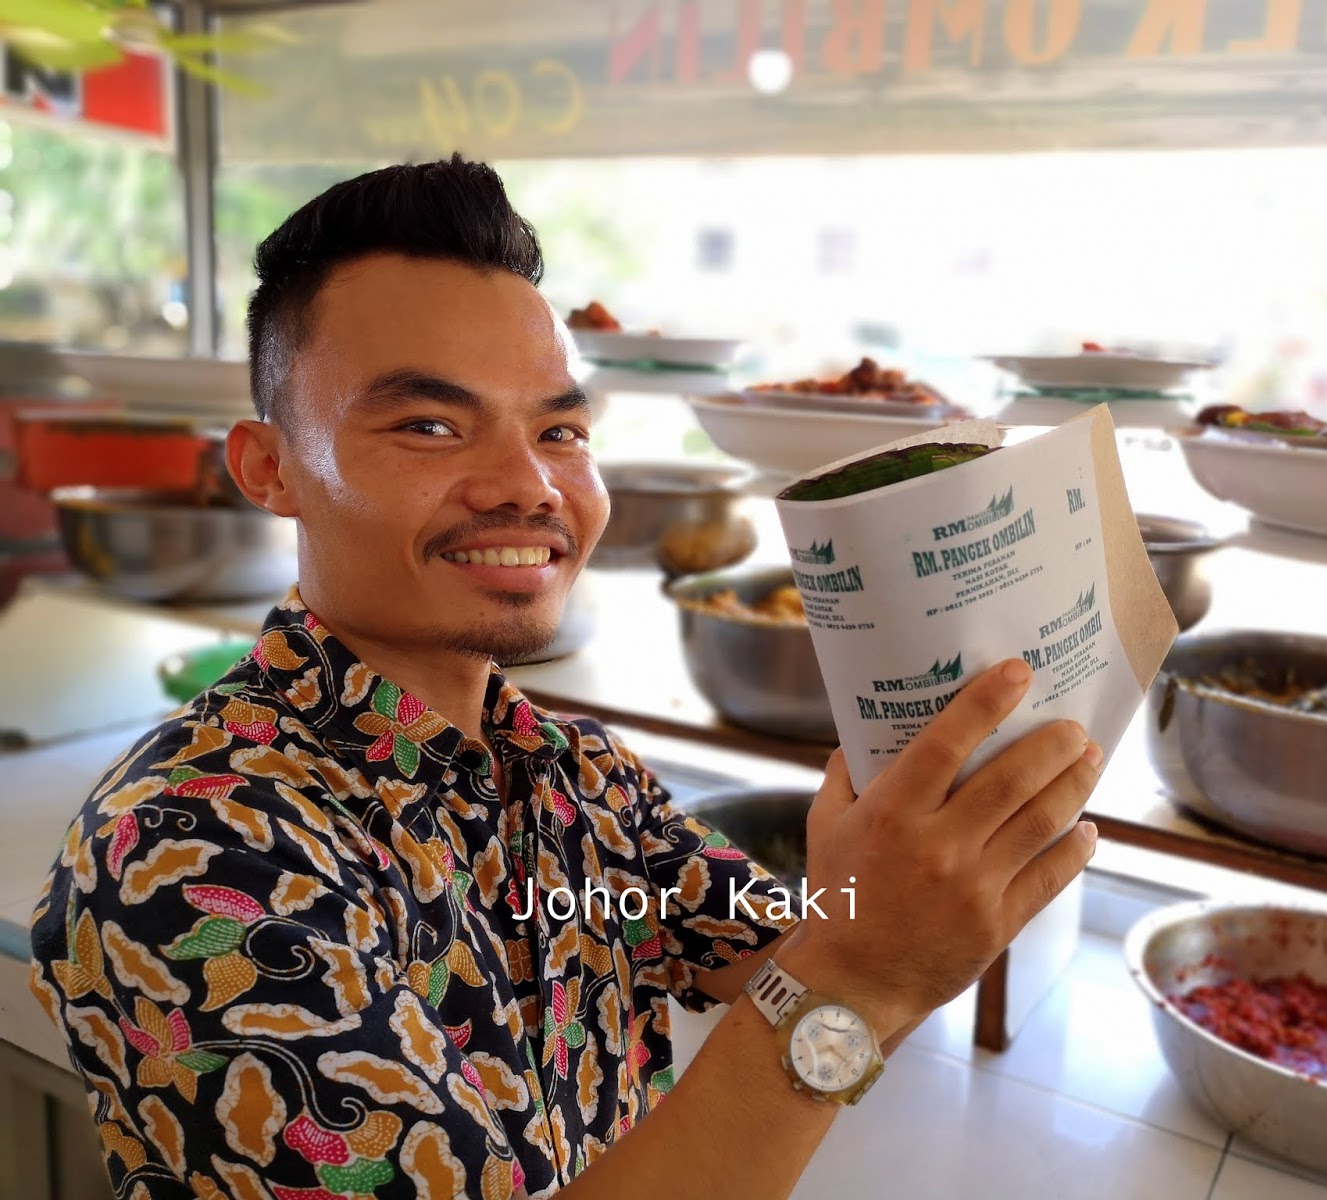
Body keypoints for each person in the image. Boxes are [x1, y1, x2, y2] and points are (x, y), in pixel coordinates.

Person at [29, 156, 1102, 1199]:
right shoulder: (186, 853)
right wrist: (855, 981)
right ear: (269, 467)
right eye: (430, 426)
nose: (529, 484)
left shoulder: (581, 782)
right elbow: (839, 981)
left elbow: (794, 953)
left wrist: (894, 877)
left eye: (561, 429)